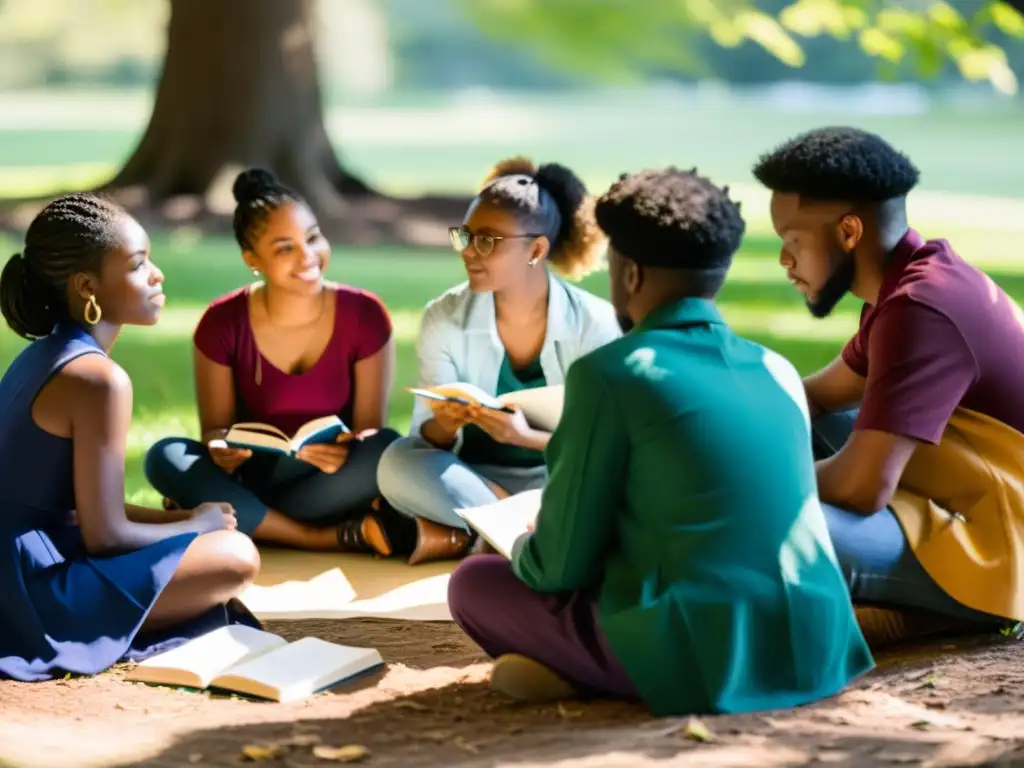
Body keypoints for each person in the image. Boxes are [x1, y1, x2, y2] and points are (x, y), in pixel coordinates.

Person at [446, 168, 873, 713]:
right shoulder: (777, 368)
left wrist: (526, 543)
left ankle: (582, 672)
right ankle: (576, 668)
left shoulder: (613, 374)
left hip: (703, 654)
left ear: (631, 274)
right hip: (815, 644)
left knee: (476, 583)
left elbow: (559, 567)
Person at [751, 126, 1022, 640]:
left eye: (792, 241)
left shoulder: (922, 310)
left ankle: (933, 615)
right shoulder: (908, 286)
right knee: (794, 431)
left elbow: (861, 487)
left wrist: (732, 474)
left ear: (849, 232)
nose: (784, 261)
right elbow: (810, 399)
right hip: (958, 501)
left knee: (749, 518)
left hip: (999, 550)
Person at [0, 194, 260, 682]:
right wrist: (199, 527)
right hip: (26, 595)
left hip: (26, 562)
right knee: (235, 555)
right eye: (139, 265)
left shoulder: (44, 354)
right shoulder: (97, 379)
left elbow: (79, 508)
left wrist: (185, 517)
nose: (157, 275)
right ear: (87, 287)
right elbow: (106, 537)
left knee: (212, 551)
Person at [376, 157, 620, 565]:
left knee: (620, 482)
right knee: (396, 463)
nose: (469, 252)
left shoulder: (595, 324)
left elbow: (605, 444)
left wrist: (523, 438)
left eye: (487, 241)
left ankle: (468, 535)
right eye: (465, 237)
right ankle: (521, 530)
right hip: (473, 478)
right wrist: (444, 424)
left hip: (561, 479)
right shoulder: (444, 316)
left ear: (536, 249)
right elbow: (426, 439)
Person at [145, 169, 400, 555]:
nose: (307, 256)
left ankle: (229, 517)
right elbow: (215, 428)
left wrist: (341, 453)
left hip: (323, 480)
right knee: (165, 456)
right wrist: (220, 450)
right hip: (249, 476)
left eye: (312, 237)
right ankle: (319, 536)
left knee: (387, 449)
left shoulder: (365, 313)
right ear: (253, 259)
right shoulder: (222, 323)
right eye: (285, 248)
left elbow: (368, 430)